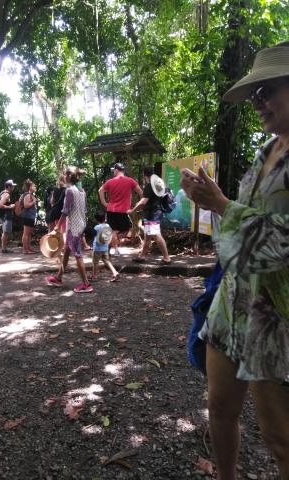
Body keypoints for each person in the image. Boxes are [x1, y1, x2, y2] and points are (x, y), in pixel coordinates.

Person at [180, 42, 289, 480]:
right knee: (219, 407)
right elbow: (244, 224)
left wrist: (222, 203)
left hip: (274, 313)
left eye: (268, 90)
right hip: (232, 299)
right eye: (255, 93)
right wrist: (210, 198)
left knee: (280, 439)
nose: (259, 101)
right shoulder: (268, 151)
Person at [46, 166, 93, 293]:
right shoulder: (81, 190)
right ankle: (59, 277)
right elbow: (84, 210)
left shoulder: (70, 191)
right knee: (67, 250)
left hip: (74, 227)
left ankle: (86, 284)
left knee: (77, 254)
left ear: (68, 176)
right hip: (80, 224)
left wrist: (56, 227)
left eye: (65, 175)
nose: (64, 177)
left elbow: (65, 211)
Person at [127, 166, 171, 264]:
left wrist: (133, 210)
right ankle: (142, 256)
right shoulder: (157, 184)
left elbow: (143, 202)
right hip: (155, 213)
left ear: (144, 175)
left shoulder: (149, 186)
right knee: (147, 236)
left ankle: (167, 258)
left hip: (152, 214)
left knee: (156, 235)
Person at [99, 161, 142, 255]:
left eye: (113, 170)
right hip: (123, 211)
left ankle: (111, 245)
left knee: (116, 231)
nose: (113, 172)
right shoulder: (130, 181)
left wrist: (105, 203)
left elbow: (100, 190)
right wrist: (139, 204)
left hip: (111, 210)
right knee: (126, 229)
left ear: (116, 170)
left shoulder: (110, 181)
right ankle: (115, 250)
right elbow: (141, 192)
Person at [89, 212, 120, 282]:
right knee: (107, 260)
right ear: (105, 218)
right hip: (105, 247)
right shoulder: (108, 226)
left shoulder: (96, 227)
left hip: (97, 248)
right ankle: (115, 272)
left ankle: (94, 275)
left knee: (95, 262)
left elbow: (94, 235)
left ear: (96, 220)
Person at [0, 179, 16, 254]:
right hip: (6, 216)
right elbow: (0, 205)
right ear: (8, 186)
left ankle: (4, 248)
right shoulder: (6, 194)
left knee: (5, 232)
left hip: (4, 216)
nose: (13, 187)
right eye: (12, 186)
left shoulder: (3, 193)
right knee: (6, 232)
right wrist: (10, 207)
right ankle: (4, 249)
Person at [20, 179, 37, 254]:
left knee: (29, 233)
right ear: (29, 187)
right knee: (26, 233)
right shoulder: (27, 195)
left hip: (30, 216)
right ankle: (25, 249)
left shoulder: (29, 195)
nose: (35, 186)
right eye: (33, 185)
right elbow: (26, 205)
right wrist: (34, 202)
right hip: (27, 216)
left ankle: (29, 248)